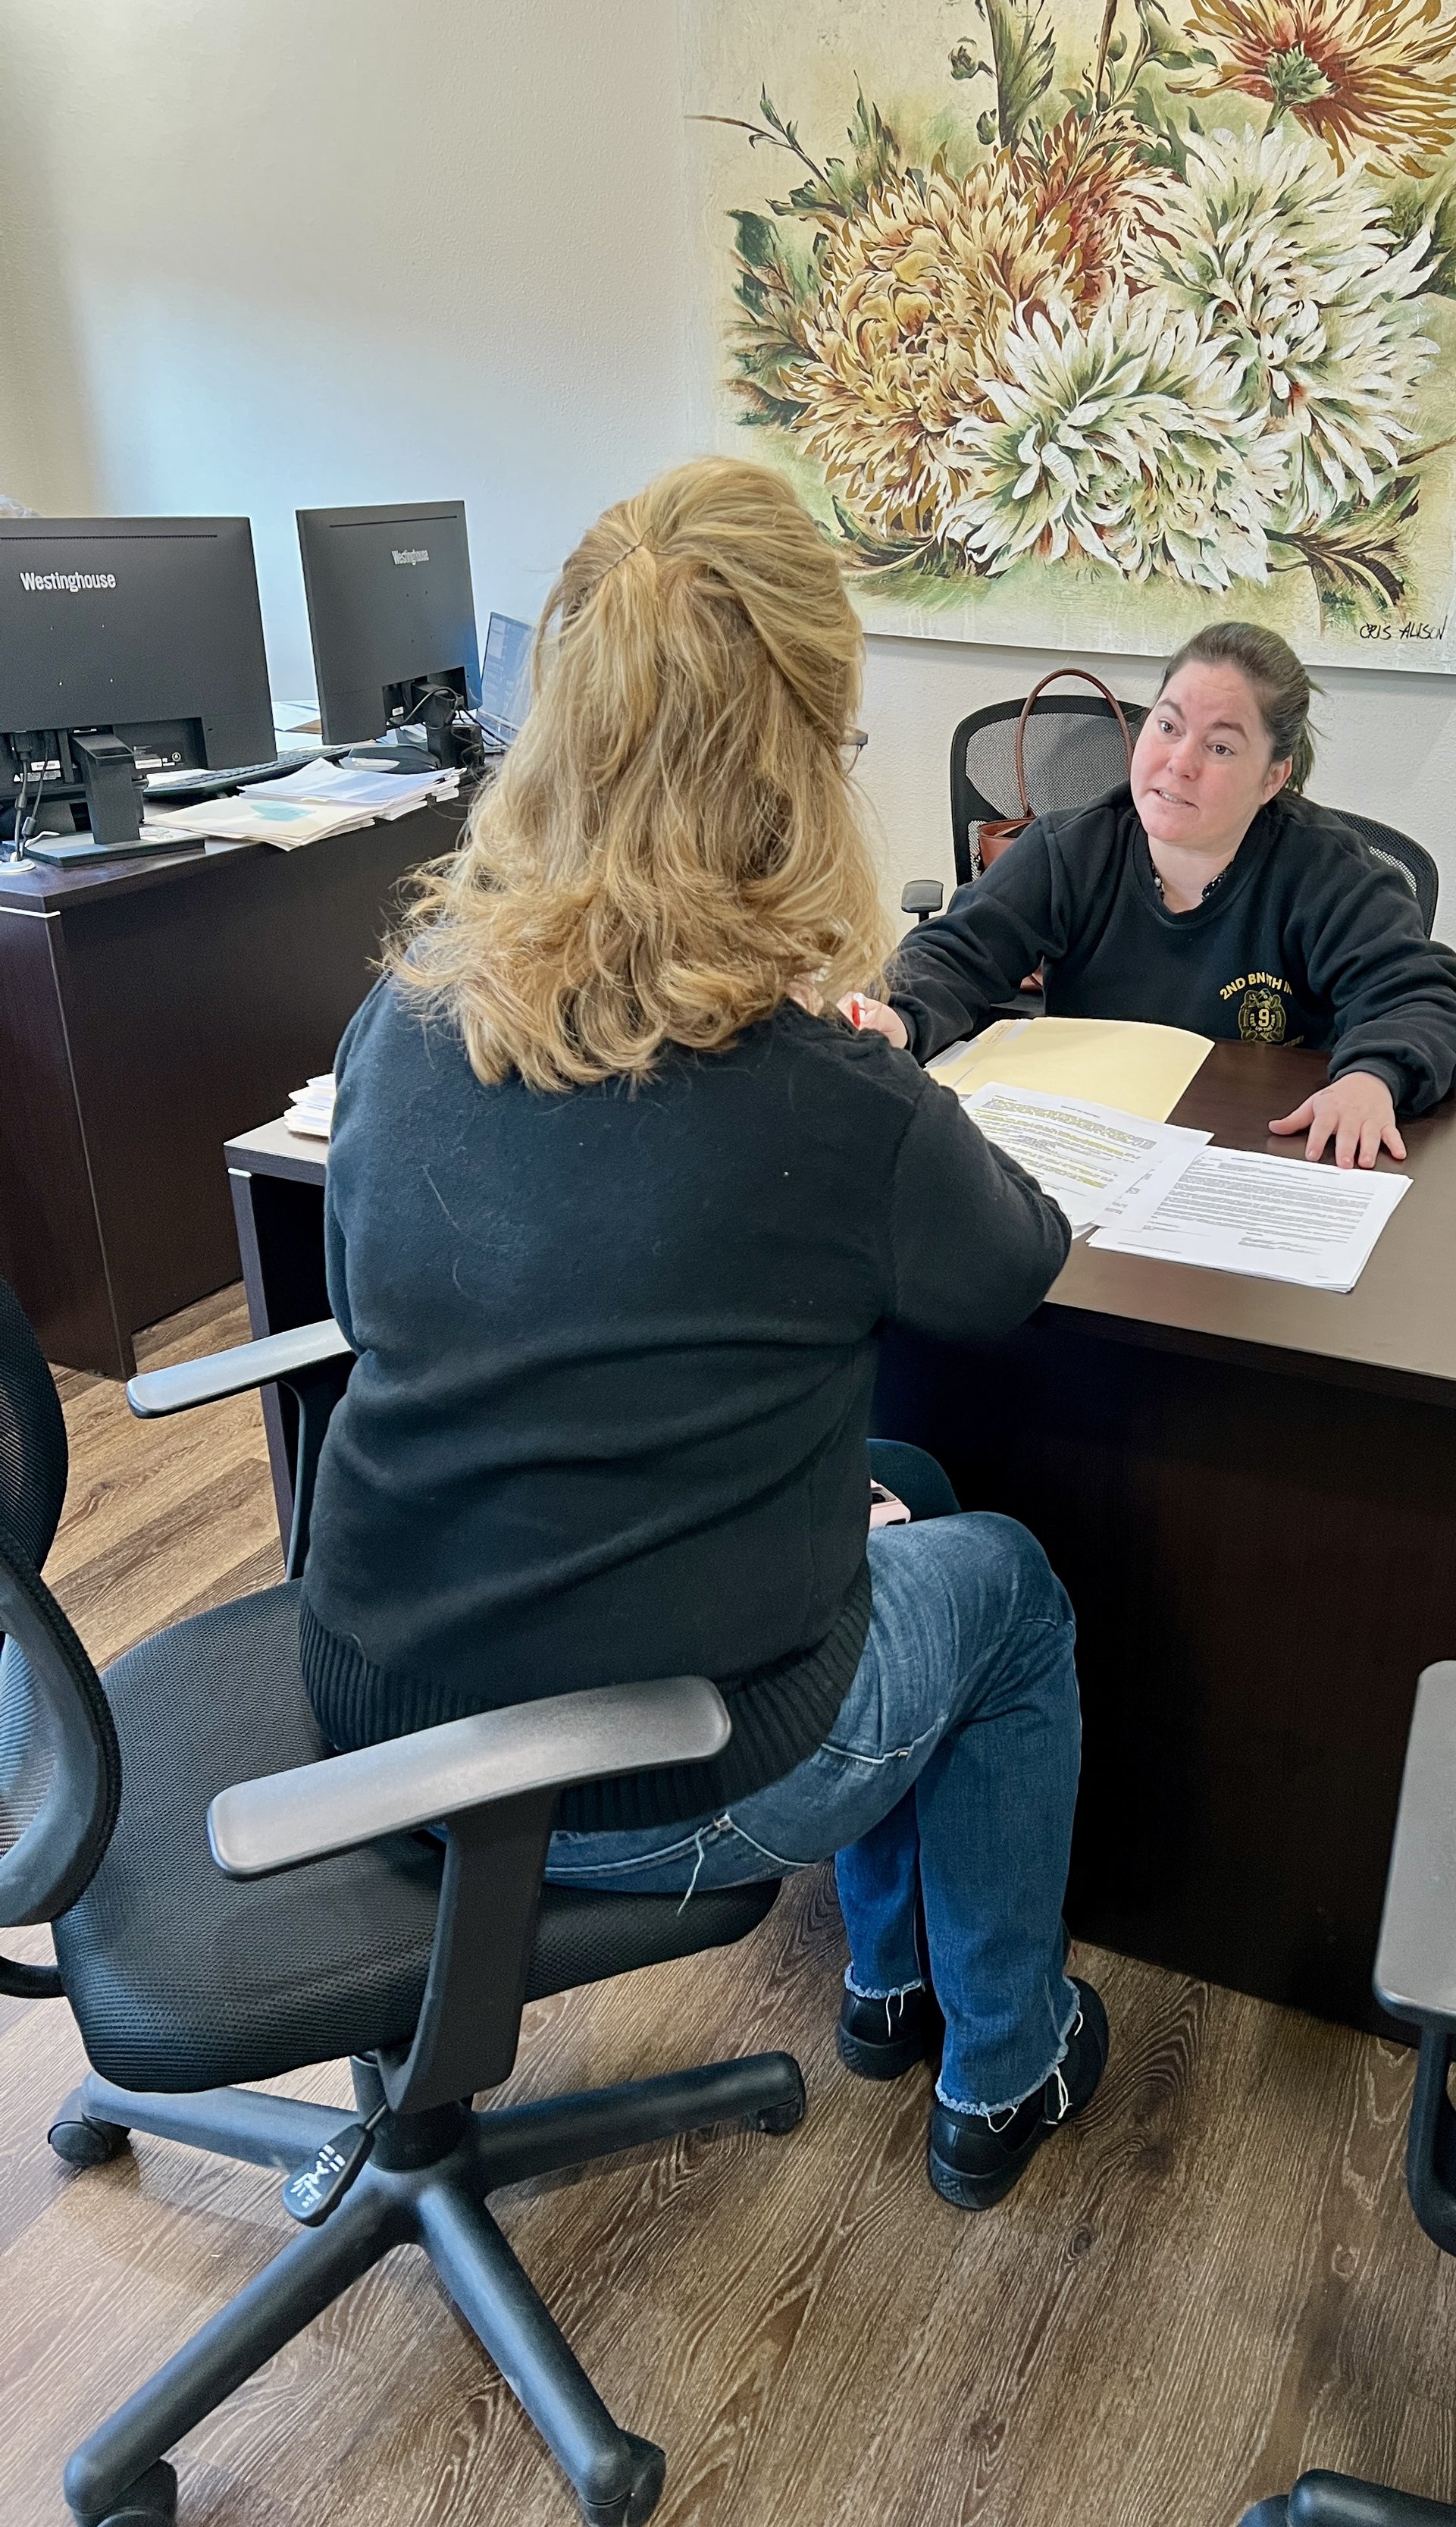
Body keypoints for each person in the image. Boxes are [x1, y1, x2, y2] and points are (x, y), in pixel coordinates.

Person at [299, 456, 1106, 2212]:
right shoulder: (829, 1101)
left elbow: (390, 1318)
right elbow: (1015, 1268)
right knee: (1015, 1591)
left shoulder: (406, 1017)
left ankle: (888, 1979)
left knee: (894, 1476)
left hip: (375, 1697)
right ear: (809, 757)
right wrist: (871, 1068)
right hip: (637, 1774)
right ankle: (1002, 2060)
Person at [853, 622, 1456, 1171]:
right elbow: (954, 952)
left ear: (1273, 777)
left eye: (1221, 746)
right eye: (1168, 725)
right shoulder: (1070, 848)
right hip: (1092, 1152)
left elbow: (1424, 1000)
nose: (1180, 762)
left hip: (1254, 1158)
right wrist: (899, 1015)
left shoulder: (1325, 871)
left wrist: (1372, 1078)